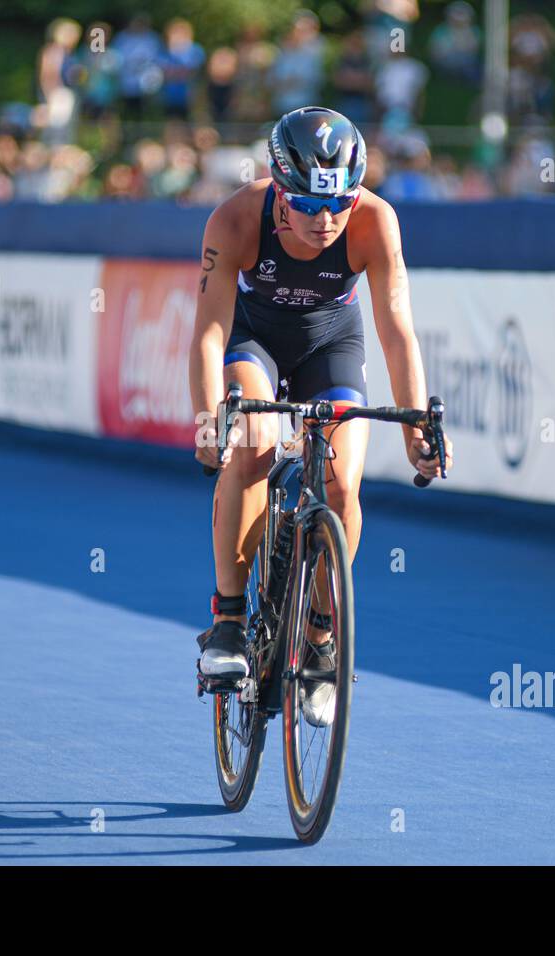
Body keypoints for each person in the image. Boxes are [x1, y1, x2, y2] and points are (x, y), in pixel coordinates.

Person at [189, 107, 452, 726]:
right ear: (278, 189)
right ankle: (228, 619)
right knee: (252, 444)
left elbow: (396, 332)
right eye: (307, 205)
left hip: (333, 341)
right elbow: (207, 334)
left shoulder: (375, 222)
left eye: (339, 204)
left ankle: (320, 636)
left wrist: (417, 424)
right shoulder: (234, 218)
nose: (325, 220)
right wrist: (208, 420)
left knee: (343, 482)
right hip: (254, 339)